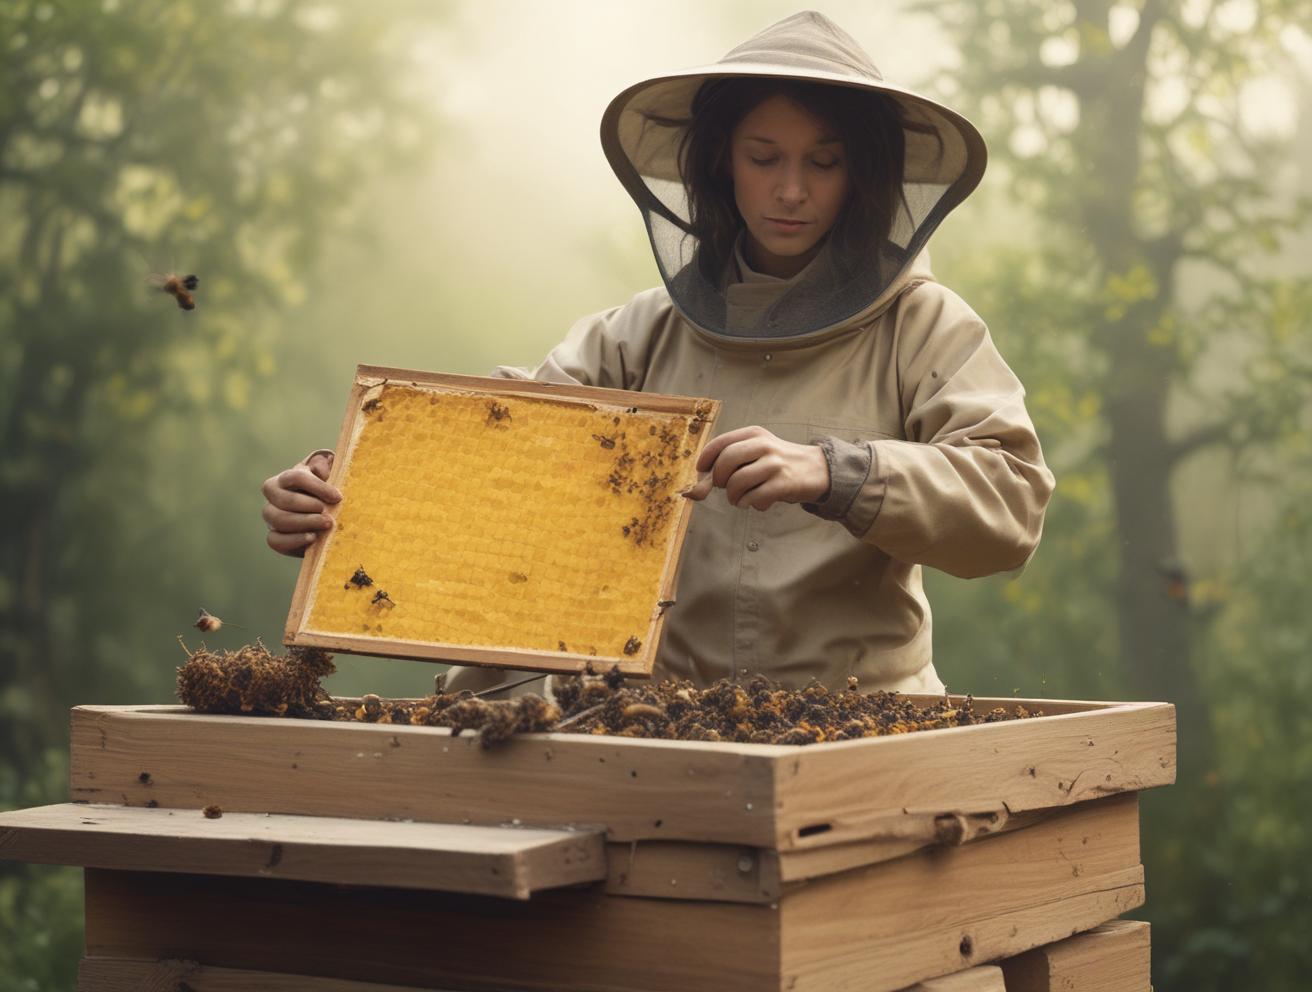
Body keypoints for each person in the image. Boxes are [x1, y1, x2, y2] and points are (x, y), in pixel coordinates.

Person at [261, 11, 1055, 697]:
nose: (790, 190)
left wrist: (838, 472)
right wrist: (347, 494)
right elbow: (497, 467)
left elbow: (1011, 504)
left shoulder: (925, 327)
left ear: (864, 172)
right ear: (721, 162)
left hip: (864, 728)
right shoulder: (635, 337)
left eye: (824, 160)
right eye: (763, 155)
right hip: (661, 731)